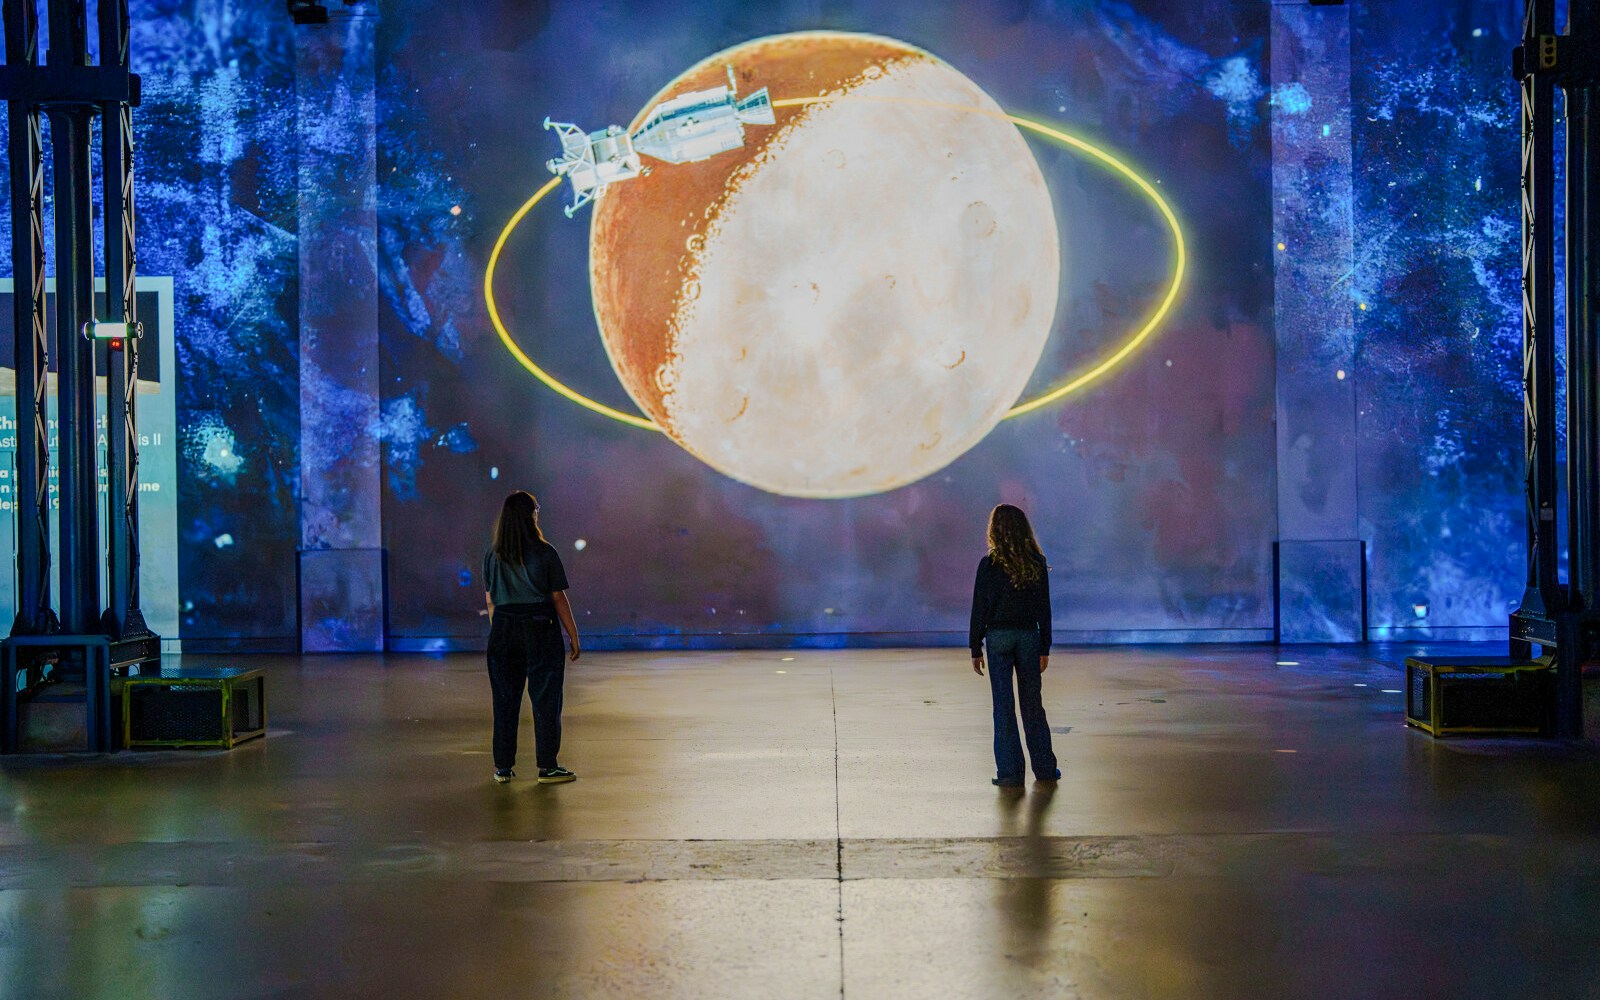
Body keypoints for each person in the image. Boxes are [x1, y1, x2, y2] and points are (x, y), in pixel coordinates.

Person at [483, 490, 581, 785]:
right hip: (540, 626)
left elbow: (490, 600)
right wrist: (573, 635)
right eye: (536, 508)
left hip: (502, 627)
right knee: (546, 700)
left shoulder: (493, 554)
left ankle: (503, 768)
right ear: (531, 515)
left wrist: (500, 629)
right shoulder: (544, 551)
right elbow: (558, 597)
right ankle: (547, 767)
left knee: (504, 702)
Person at [969, 503, 1059, 787]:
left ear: (995, 529)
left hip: (997, 638)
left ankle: (1010, 772)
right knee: (1033, 705)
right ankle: (1044, 769)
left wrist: (975, 647)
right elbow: (1044, 608)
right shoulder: (1036, 561)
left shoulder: (989, 564)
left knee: (1003, 706)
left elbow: (979, 608)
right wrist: (1045, 646)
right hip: (1028, 637)